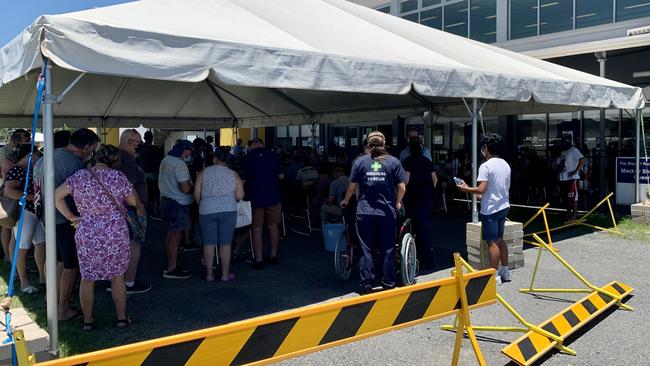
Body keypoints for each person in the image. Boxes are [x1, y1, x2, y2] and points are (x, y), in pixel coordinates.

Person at [55, 144, 141, 330]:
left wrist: (70, 216)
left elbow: (56, 195)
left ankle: (88, 321)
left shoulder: (79, 177)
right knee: (118, 277)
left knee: (88, 278)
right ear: (115, 160)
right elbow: (134, 202)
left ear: (95, 157)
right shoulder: (118, 177)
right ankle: (121, 319)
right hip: (115, 232)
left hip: (87, 231)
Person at [341, 131, 406, 293]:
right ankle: (388, 282)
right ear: (384, 143)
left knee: (366, 248)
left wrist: (346, 201)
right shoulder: (393, 162)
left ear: (368, 144)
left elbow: (351, 186)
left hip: (364, 212)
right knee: (388, 248)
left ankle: (366, 284)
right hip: (386, 212)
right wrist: (397, 202)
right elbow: (402, 187)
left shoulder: (360, 162)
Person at [46, 128, 100, 321]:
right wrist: (72, 216)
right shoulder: (75, 165)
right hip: (65, 220)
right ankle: (63, 309)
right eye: (93, 149)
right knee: (71, 265)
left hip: (50, 217)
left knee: (60, 261)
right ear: (86, 147)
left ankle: (56, 302)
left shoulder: (53, 155)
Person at [457, 133, 511, 285]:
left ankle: (494, 276)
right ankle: (505, 271)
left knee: (491, 242)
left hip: (491, 209)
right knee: (500, 239)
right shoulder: (505, 164)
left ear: (486, 148)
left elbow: (481, 189)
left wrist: (466, 189)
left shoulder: (485, 166)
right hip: (503, 205)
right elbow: (497, 188)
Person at [194, 147, 244, 282]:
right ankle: (225, 275)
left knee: (209, 243)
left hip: (206, 211)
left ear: (215, 158)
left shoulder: (204, 172)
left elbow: (196, 193)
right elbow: (240, 195)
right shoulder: (233, 174)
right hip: (228, 211)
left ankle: (209, 275)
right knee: (225, 244)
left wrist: (202, 205)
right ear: (227, 160)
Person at [4, 144, 44, 293]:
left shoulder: (29, 169)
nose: (38, 158)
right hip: (24, 213)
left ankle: (42, 277)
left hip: (34, 212)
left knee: (41, 244)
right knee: (23, 248)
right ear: (28, 155)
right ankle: (24, 283)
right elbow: (9, 191)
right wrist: (32, 197)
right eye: (35, 155)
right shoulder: (16, 170)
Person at [239, 138, 284, 269]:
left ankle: (258, 259)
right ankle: (273, 256)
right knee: (273, 226)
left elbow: (242, 181)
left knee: (257, 229)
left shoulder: (246, 158)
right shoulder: (275, 156)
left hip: (255, 198)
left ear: (251, 146)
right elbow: (281, 177)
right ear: (262, 145)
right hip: (273, 196)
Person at [116, 129, 151, 294]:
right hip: (130, 210)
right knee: (133, 245)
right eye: (137, 143)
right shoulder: (127, 159)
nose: (139, 146)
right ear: (130, 141)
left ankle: (118, 282)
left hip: (120, 210)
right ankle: (128, 283)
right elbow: (127, 186)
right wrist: (138, 206)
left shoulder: (115, 157)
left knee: (122, 246)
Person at [159, 140, 194, 279]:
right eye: (189, 151)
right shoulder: (180, 164)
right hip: (177, 204)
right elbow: (185, 188)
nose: (190, 154)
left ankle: (171, 264)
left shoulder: (166, 159)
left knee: (171, 235)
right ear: (183, 150)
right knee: (175, 237)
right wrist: (194, 187)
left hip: (166, 201)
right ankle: (171, 269)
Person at [402, 138, 438, 269]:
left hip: (413, 198)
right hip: (427, 198)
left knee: (413, 227)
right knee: (426, 228)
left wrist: (401, 195)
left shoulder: (407, 161)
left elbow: (406, 180)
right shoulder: (427, 161)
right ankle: (427, 258)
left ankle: (415, 255)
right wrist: (429, 190)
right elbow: (435, 179)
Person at [0, 129, 31, 263]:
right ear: (17, 139)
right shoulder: (5, 153)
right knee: (8, 223)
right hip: (10, 192)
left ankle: (12, 256)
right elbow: (5, 173)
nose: (28, 139)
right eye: (26, 138)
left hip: (16, 190)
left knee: (14, 227)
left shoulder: (16, 151)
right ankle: (7, 254)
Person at [557, 135, 585, 221]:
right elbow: (559, 163)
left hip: (573, 178)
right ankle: (568, 213)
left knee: (573, 197)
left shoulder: (574, 150)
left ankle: (574, 214)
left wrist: (576, 171)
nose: (563, 142)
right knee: (566, 197)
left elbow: (582, 159)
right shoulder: (562, 152)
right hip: (563, 178)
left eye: (565, 141)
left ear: (569, 141)